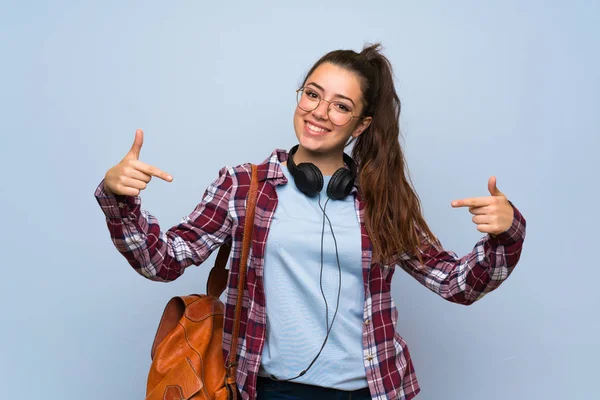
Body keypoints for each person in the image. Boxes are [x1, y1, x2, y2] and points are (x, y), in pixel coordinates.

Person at [94, 43, 526, 400]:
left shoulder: (382, 200)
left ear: (361, 124)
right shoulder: (243, 186)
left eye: (342, 106)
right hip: (270, 392)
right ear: (299, 96)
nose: (320, 112)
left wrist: (505, 234)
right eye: (313, 94)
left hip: (373, 391)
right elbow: (163, 261)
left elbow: (455, 283)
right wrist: (121, 199)